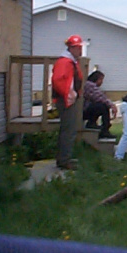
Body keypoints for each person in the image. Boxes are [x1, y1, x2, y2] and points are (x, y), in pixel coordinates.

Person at [51, 35, 84, 170]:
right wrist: (69, 94)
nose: (80, 51)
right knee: (68, 130)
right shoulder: (65, 62)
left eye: (80, 47)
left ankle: (65, 158)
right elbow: (58, 80)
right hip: (65, 100)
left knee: (69, 129)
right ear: (71, 48)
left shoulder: (71, 62)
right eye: (77, 48)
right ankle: (64, 160)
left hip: (69, 98)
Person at [83, 70, 118, 139]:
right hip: (84, 110)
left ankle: (92, 123)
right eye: (101, 79)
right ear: (96, 78)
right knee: (102, 107)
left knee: (101, 106)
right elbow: (99, 97)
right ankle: (105, 129)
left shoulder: (90, 85)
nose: (102, 82)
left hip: (86, 109)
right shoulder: (89, 85)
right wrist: (112, 105)